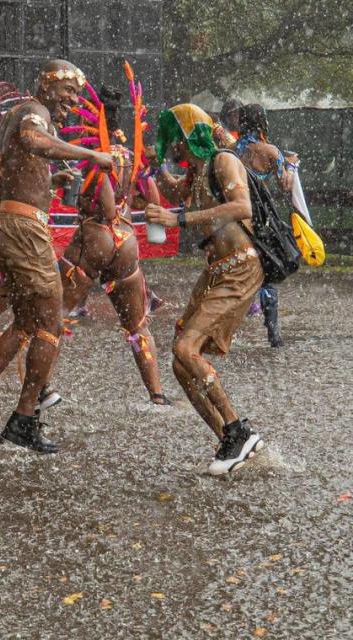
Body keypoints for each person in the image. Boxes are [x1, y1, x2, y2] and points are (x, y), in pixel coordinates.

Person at [0, 60, 113, 451]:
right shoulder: (33, 112)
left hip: (8, 223)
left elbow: (0, 170)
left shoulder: (19, 114)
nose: (72, 102)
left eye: (76, 94)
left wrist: (46, 179)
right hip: (23, 230)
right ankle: (24, 418)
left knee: (26, 321)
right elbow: (34, 141)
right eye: (68, 92)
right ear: (47, 85)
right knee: (51, 324)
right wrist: (90, 155)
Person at [146, 104, 265, 475]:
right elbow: (174, 192)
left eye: (174, 139)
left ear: (190, 135)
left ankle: (237, 429)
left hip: (241, 267)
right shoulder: (198, 173)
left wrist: (177, 218)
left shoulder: (223, 162)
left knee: (186, 347)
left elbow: (241, 206)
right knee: (180, 360)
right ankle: (228, 443)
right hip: (215, 270)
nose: (172, 146)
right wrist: (151, 167)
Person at [58, 86, 170, 406]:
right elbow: (145, 192)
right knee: (137, 326)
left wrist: (80, 196)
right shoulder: (130, 152)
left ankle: (37, 393)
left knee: (52, 317)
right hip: (127, 242)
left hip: (96, 236)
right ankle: (157, 394)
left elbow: (104, 208)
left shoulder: (96, 150)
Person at [234, 103, 296, 348]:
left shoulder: (232, 150)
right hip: (262, 217)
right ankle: (273, 333)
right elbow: (285, 185)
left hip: (237, 216)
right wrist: (291, 164)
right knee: (269, 270)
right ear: (262, 122)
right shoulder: (271, 151)